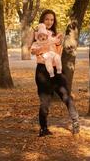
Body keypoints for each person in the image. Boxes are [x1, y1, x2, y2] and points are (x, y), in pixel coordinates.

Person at [30, 9, 80, 137]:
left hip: (56, 70)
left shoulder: (55, 34)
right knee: (45, 102)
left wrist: (58, 43)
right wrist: (46, 43)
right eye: (47, 19)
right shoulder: (36, 33)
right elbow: (33, 51)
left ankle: (75, 122)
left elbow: (58, 52)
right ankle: (43, 129)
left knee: (66, 96)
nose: (49, 22)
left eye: (52, 20)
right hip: (42, 71)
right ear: (42, 20)